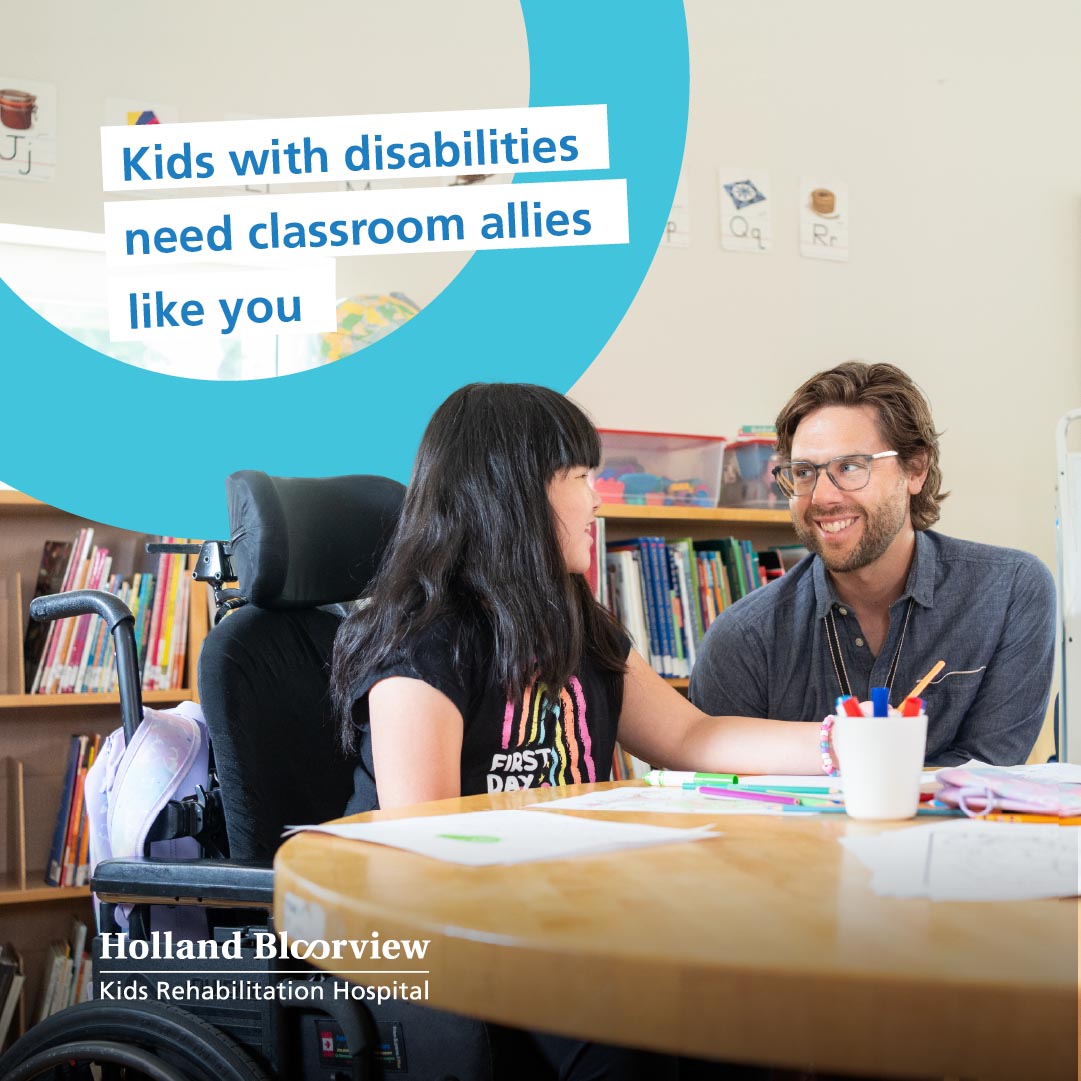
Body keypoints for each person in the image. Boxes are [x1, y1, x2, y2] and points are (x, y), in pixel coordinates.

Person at [330, 381, 835, 1081]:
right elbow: (428, 848)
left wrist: (840, 744)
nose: (596, 499)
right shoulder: (422, 646)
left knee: (758, 1014)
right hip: (459, 936)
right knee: (640, 1041)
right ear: (514, 493)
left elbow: (688, 737)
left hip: (572, 918)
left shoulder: (574, 618)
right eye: (578, 477)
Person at [690, 362, 1056, 766]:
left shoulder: (1010, 592)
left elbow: (988, 773)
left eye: (849, 467)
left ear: (915, 469)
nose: (822, 497)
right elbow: (723, 800)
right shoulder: (742, 639)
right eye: (804, 472)